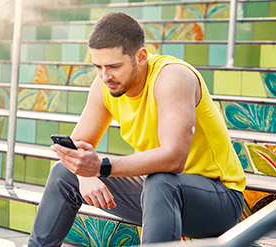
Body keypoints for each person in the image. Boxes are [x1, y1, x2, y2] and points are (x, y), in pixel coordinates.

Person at [28, 12, 246, 246]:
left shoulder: (172, 77)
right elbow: (76, 151)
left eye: (114, 66)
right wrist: (83, 173)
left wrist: (100, 167)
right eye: (98, 67)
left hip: (220, 200)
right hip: (158, 198)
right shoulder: (104, 85)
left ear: (141, 56)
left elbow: (174, 159)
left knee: (161, 181)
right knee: (64, 173)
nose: (105, 76)